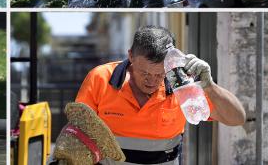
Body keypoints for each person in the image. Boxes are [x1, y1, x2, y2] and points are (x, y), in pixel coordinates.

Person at [75, 26, 246, 164]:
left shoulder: (183, 86)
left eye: (159, 74)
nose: (152, 81)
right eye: (144, 73)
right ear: (130, 56)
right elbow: (77, 134)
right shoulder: (101, 78)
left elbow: (237, 118)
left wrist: (209, 86)